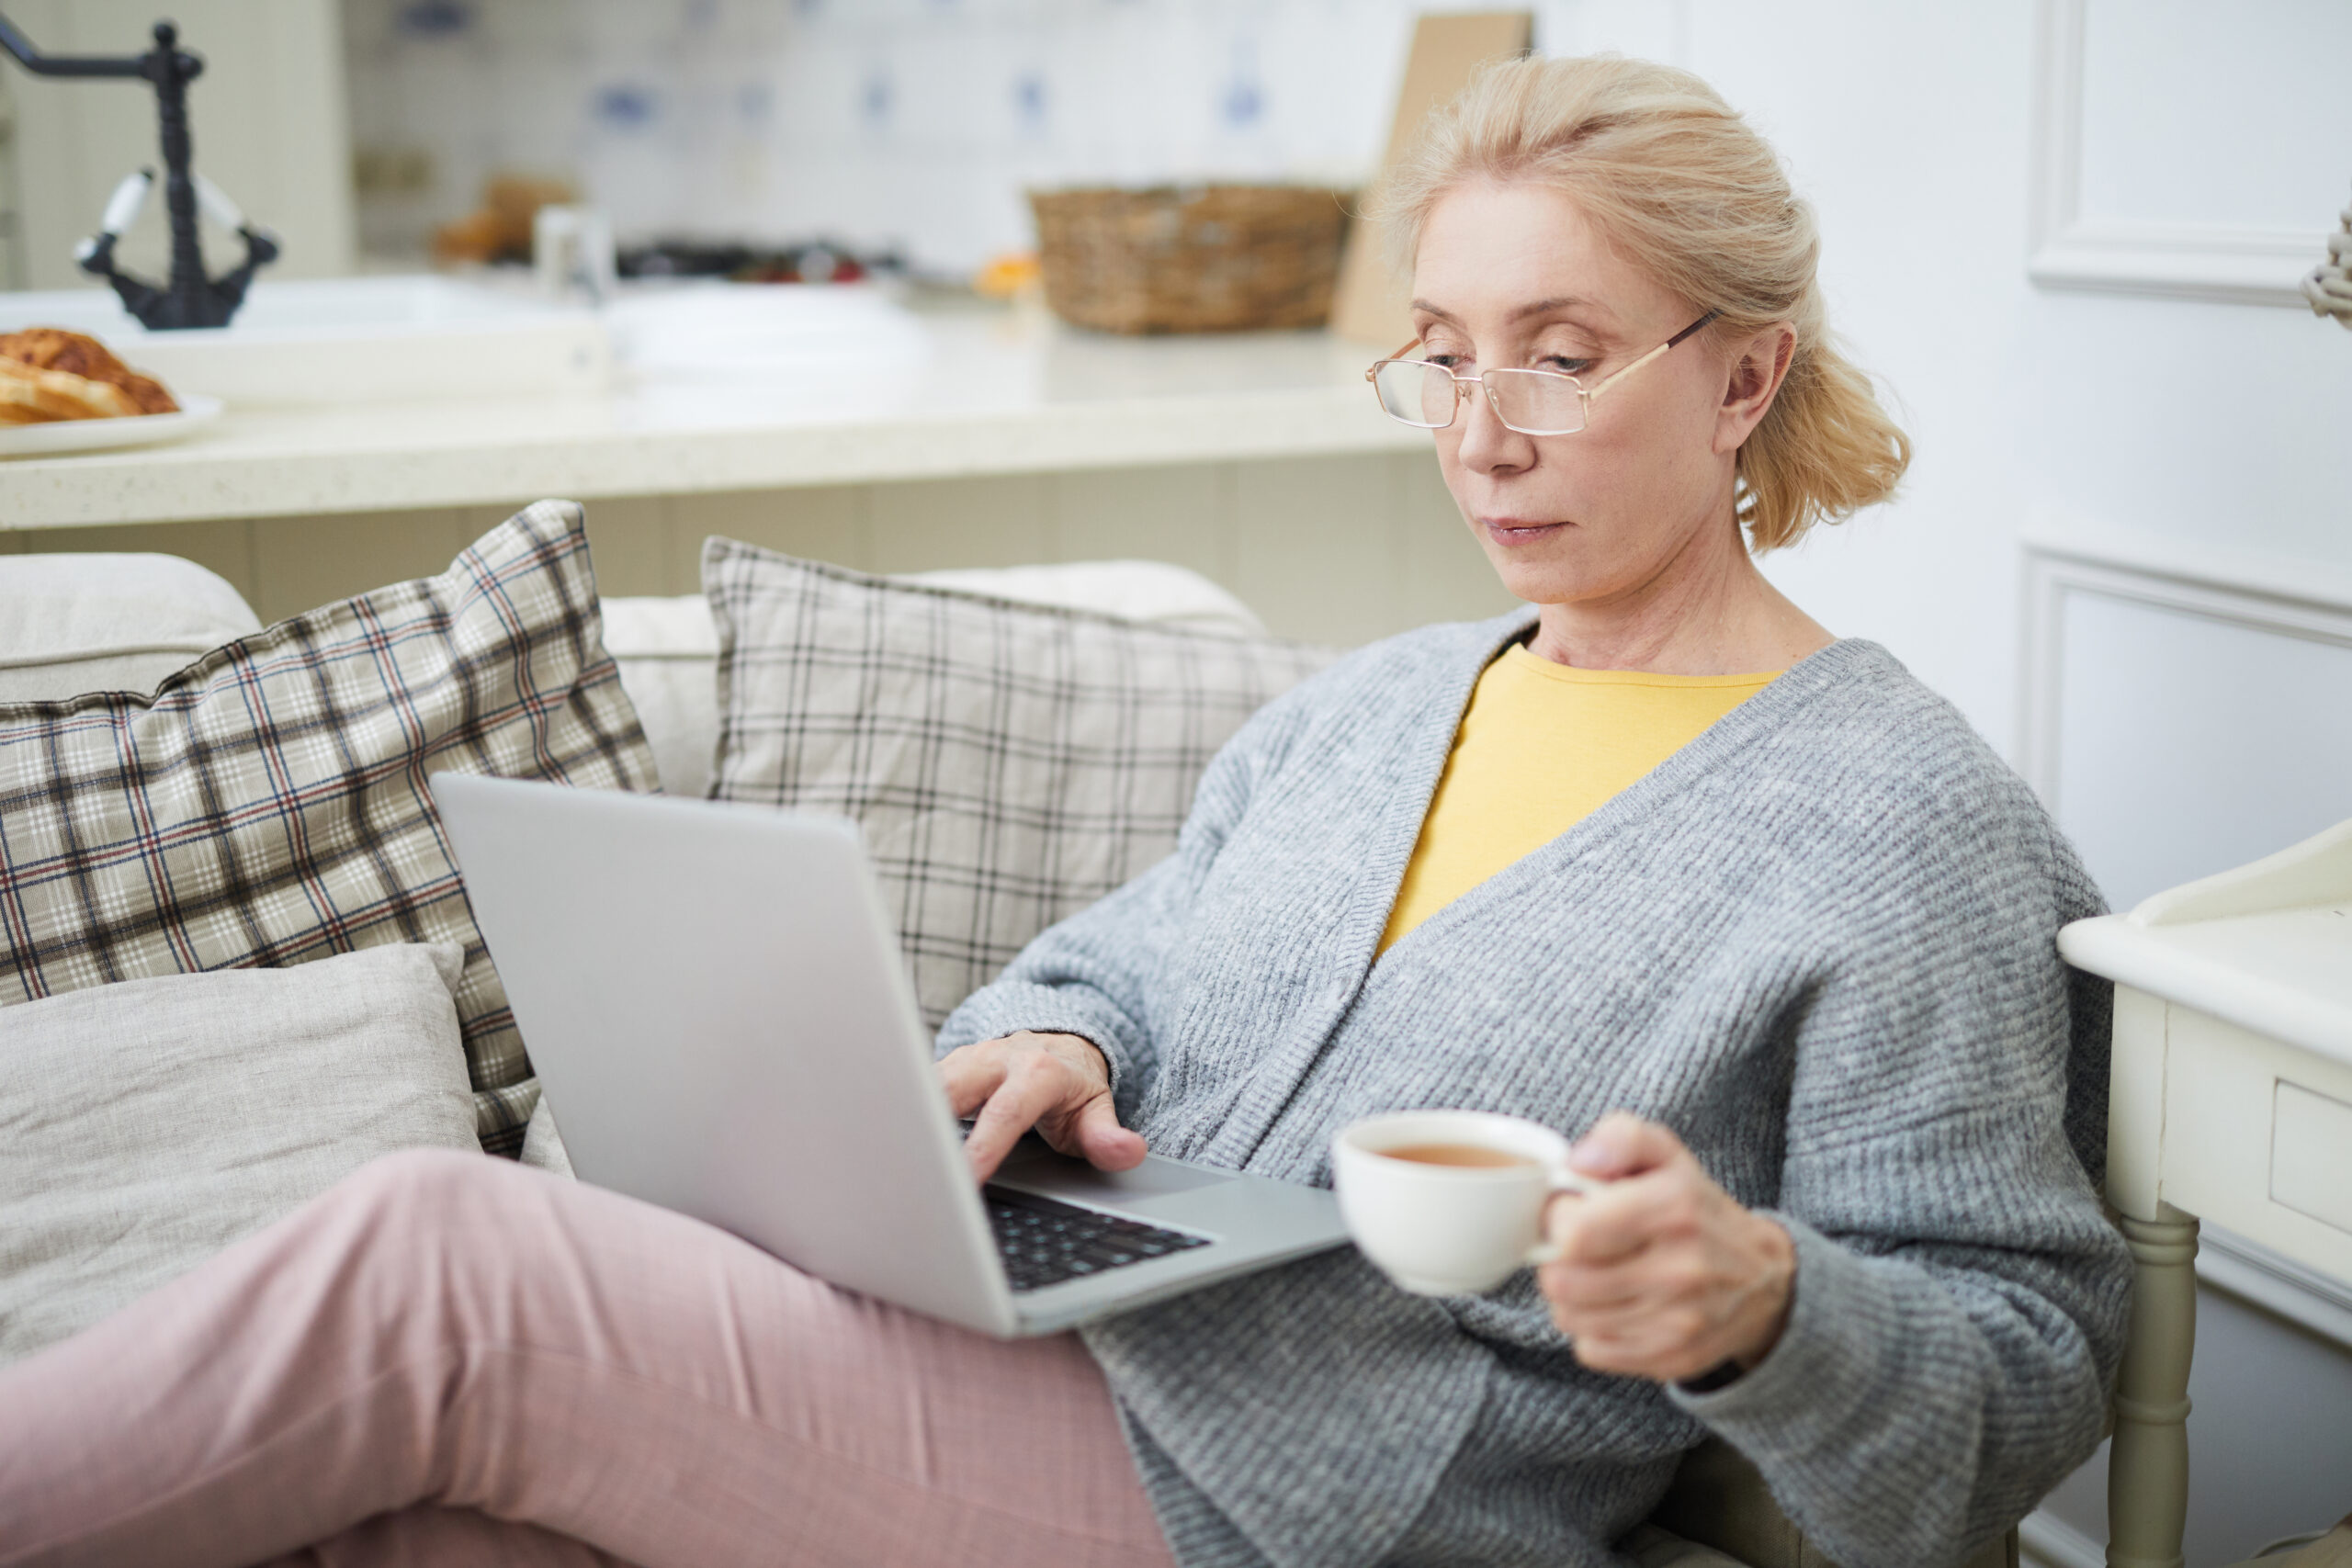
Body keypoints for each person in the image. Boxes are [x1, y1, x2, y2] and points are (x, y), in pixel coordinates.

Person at [0, 54, 2129, 1568]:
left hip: (1293, 1497)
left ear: (1741, 375)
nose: (1478, 435)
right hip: (1059, 1343)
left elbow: (2008, 1383)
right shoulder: (1372, 699)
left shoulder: (1895, 818)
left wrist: (1761, 1301)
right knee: (436, 1513)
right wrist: (1063, 1036)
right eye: (1440, 357)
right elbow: (1134, 946)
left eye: (1557, 357)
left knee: (439, 1255)